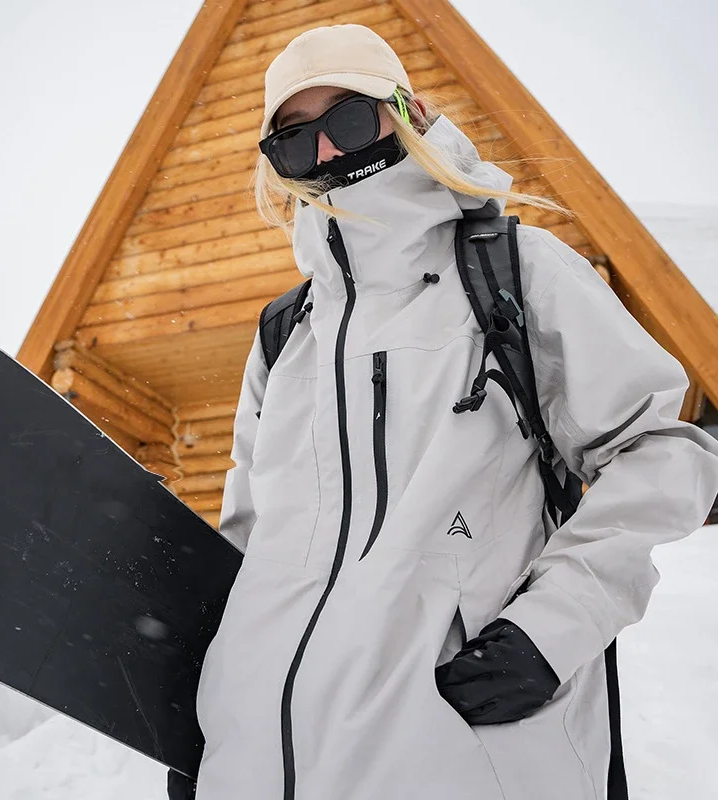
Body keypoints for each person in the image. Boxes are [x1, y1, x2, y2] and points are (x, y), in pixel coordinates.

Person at [170, 24, 718, 800]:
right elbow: (251, 548)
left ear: (408, 111)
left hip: (459, 759)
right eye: (295, 141)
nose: (327, 154)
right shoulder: (284, 338)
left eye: (349, 120)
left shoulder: (513, 273)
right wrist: (223, 730)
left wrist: (550, 631)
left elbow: (663, 451)